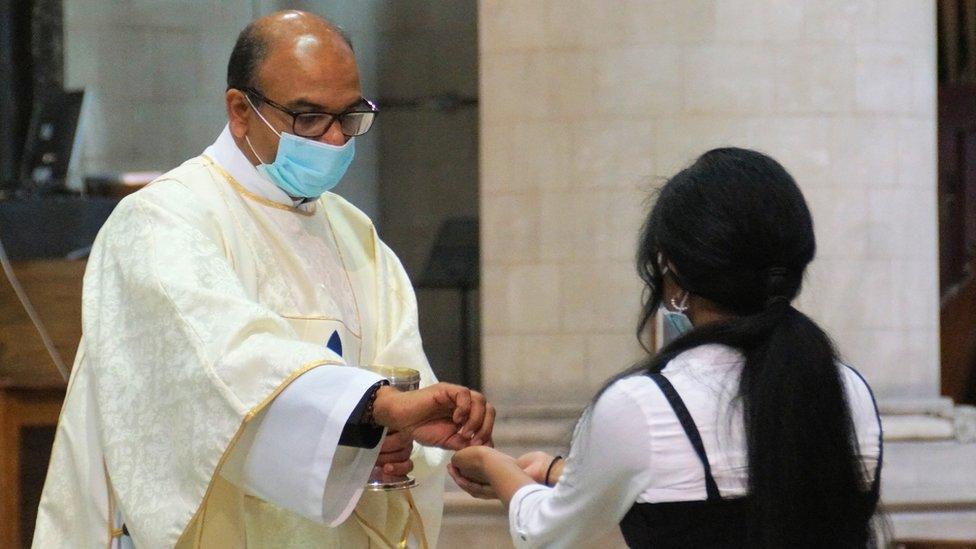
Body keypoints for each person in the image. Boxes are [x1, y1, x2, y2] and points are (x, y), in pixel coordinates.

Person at [33, 11, 494, 549]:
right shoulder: (164, 218)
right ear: (239, 110)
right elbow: (223, 360)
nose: (333, 138)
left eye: (349, 117)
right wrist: (372, 410)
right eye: (307, 117)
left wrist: (402, 438)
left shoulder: (352, 232)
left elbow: (400, 371)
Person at [450, 148, 883, 548]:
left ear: (671, 267)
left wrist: (494, 466)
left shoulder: (644, 406)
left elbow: (545, 531)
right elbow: (750, 482)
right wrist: (553, 471)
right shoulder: (849, 389)